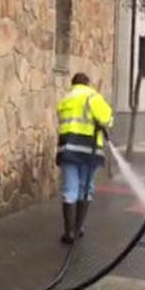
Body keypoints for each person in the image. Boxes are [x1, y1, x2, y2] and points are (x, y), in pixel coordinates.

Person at [56, 72, 114, 244]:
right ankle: (79, 227)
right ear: (87, 83)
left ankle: (69, 233)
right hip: (89, 150)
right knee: (85, 188)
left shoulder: (65, 99)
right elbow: (107, 119)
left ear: (73, 84)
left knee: (69, 190)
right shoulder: (92, 97)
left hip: (67, 150)